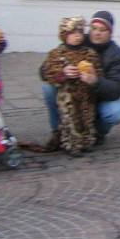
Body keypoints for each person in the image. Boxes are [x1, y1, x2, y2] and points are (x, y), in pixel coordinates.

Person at [37, 10, 120, 150]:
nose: (97, 33)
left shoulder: (116, 55)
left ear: (110, 33)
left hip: (96, 100)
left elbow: (117, 88)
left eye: (102, 30)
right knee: (48, 88)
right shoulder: (76, 38)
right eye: (94, 28)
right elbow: (44, 70)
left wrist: (95, 82)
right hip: (71, 98)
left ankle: (97, 132)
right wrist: (62, 72)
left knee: (117, 111)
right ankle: (58, 132)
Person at [39, 16, 103, 157]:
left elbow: (98, 71)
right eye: (73, 34)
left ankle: (86, 141)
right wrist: (63, 73)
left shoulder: (89, 53)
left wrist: (92, 74)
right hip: (67, 93)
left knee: (86, 117)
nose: (77, 37)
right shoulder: (57, 53)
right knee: (69, 117)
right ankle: (71, 143)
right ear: (64, 35)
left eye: (80, 33)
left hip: (85, 92)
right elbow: (48, 71)